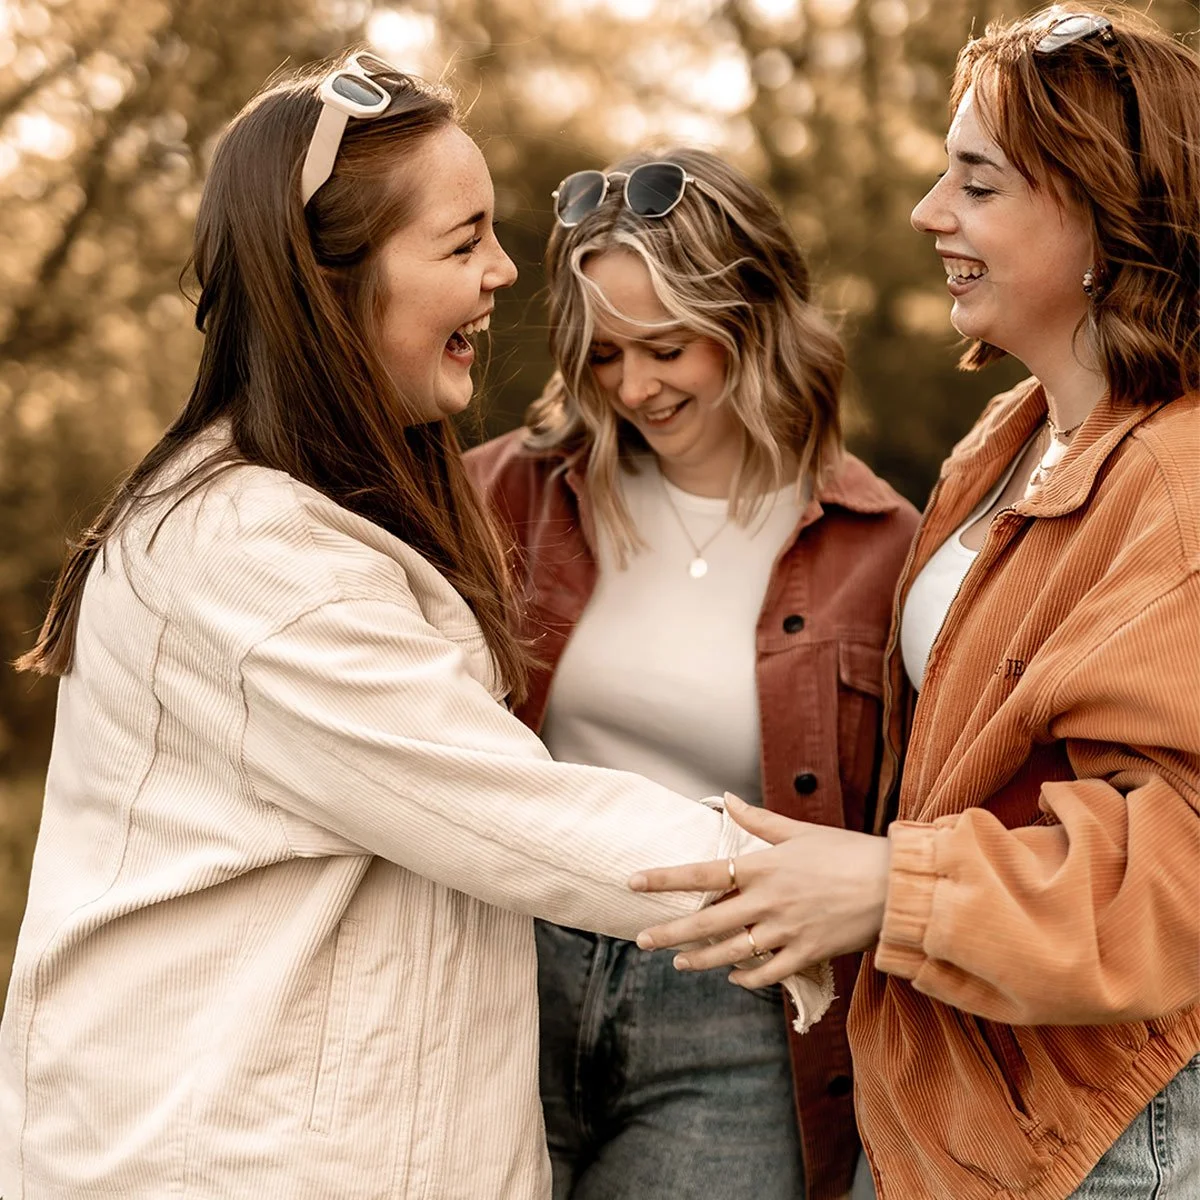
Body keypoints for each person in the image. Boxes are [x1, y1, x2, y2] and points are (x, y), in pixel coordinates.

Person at [0, 55, 829, 1200]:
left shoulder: (326, 514)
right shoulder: (252, 555)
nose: (501, 274)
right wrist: (825, 893)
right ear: (331, 286)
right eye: (461, 242)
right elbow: (511, 813)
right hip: (226, 1159)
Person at [625, 7, 1200, 1200]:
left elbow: (1180, 872)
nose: (929, 213)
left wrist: (891, 885)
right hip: (963, 1102)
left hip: (1100, 1136)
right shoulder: (1009, 441)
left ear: (1100, 214)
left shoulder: (1179, 482)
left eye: (976, 184)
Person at [465, 148, 918, 1200]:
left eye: (667, 348)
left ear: (752, 323)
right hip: (506, 975)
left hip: (732, 1018)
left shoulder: (882, 549)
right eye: (604, 355)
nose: (633, 388)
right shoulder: (505, 496)